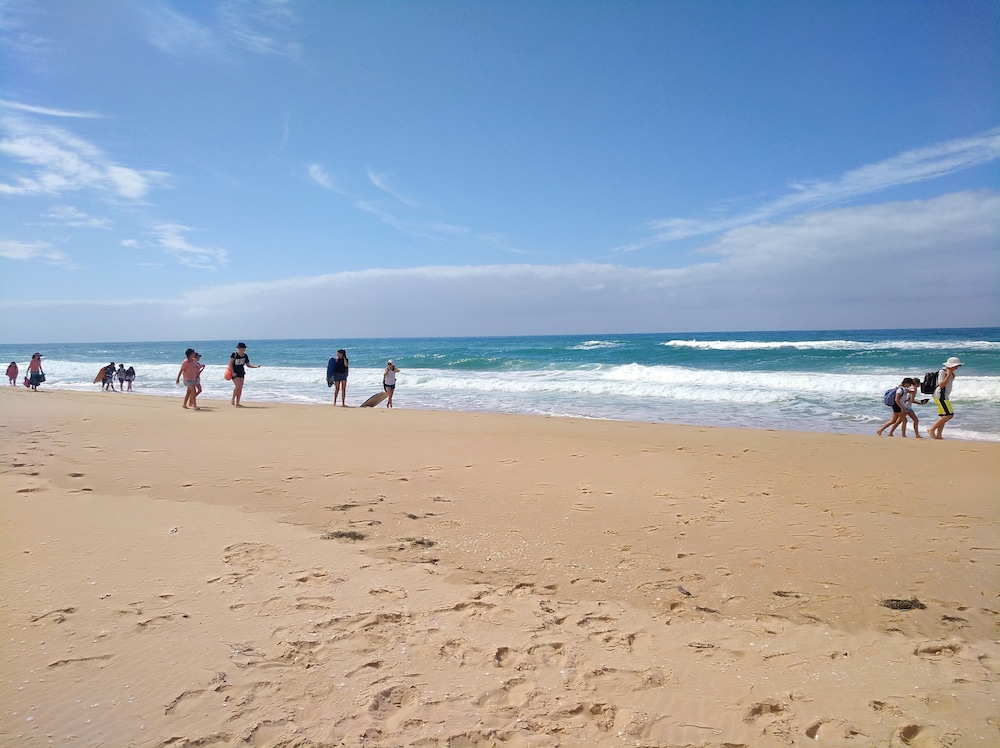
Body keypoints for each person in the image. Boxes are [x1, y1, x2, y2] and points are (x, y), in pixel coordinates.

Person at [928, 356, 963, 440]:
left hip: (943, 395)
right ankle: (931, 429)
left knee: (943, 416)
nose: (957, 368)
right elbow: (941, 384)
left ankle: (939, 435)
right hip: (940, 395)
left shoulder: (949, 372)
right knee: (949, 415)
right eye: (956, 366)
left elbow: (949, 382)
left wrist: (951, 374)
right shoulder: (942, 372)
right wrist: (949, 374)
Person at [229, 342, 260, 407]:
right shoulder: (234, 354)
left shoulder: (245, 356)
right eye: (243, 348)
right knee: (238, 386)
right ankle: (233, 398)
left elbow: (248, 365)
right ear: (239, 348)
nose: (244, 349)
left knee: (240, 388)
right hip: (234, 373)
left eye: (245, 348)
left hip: (241, 372)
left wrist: (256, 366)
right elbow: (230, 364)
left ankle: (237, 402)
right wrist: (232, 372)